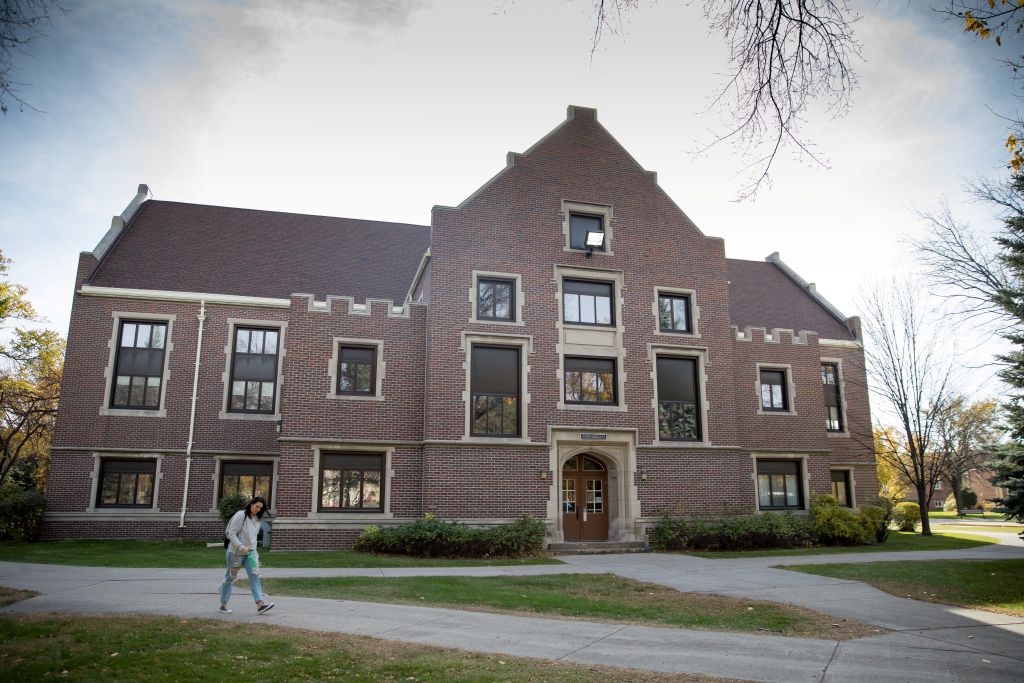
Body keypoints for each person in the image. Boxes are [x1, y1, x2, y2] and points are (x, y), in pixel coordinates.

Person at [218, 496, 275, 615]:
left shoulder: (257, 519)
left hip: (251, 554)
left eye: (260, 508)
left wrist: (253, 551)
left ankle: (260, 604)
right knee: (230, 577)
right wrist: (241, 547)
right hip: (236, 553)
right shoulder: (241, 515)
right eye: (256, 506)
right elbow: (231, 533)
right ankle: (223, 604)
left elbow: (252, 538)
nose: (258, 509)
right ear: (251, 504)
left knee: (255, 576)